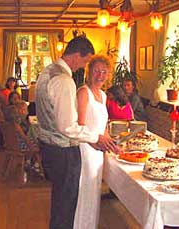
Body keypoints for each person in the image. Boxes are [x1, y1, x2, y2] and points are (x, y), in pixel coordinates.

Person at [35, 35, 118, 229]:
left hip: (48, 147)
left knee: (60, 204)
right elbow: (68, 127)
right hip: (63, 151)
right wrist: (96, 137)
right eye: (85, 61)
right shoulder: (64, 80)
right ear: (77, 55)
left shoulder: (46, 72)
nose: (83, 67)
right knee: (65, 207)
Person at [74, 55, 121, 229]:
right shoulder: (83, 92)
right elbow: (79, 125)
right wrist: (96, 143)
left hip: (98, 150)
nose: (100, 75)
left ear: (108, 75)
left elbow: (103, 126)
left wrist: (111, 144)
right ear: (89, 72)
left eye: (104, 72)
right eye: (96, 71)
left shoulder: (102, 94)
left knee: (93, 193)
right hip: (86, 149)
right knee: (84, 192)